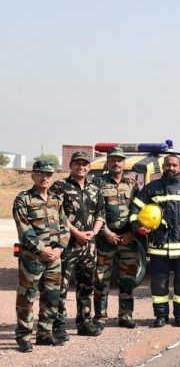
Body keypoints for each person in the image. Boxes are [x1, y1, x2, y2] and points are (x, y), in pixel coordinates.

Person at [130, 153, 180, 327]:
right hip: (159, 248)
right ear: (163, 167)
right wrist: (137, 227)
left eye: (174, 165)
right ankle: (161, 316)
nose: (171, 168)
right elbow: (135, 209)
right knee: (159, 284)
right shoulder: (151, 188)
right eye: (168, 165)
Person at [13, 160, 70, 352]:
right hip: (33, 258)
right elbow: (24, 229)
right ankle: (23, 337)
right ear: (33, 176)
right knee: (27, 297)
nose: (44, 178)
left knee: (52, 297)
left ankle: (45, 334)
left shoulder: (56, 199)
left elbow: (64, 227)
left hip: (54, 258)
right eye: (40, 174)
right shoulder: (24, 199)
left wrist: (59, 249)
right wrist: (42, 249)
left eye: (48, 174)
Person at [51, 151, 105, 337]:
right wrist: (78, 233)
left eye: (84, 164)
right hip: (67, 245)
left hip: (89, 246)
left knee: (86, 286)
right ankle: (57, 325)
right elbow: (57, 214)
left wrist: (94, 232)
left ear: (89, 167)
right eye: (77, 164)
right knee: (61, 287)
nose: (81, 167)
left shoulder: (95, 189)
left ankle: (84, 323)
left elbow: (101, 214)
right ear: (71, 166)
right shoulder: (60, 186)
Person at [93, 147, 142, 329]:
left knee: (127, 280)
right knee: (101, 280)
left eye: (119, 160)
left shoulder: (132, 185)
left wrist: (132, 233)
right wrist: (107, 233)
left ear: (124, 163)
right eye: (113, 159)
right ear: (108, 162)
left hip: (128, 239)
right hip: (106, 239)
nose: (116, 163)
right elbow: (96, 211)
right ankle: (100, 317)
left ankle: (126, 316)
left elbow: (138, 212)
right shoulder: (98, 183)